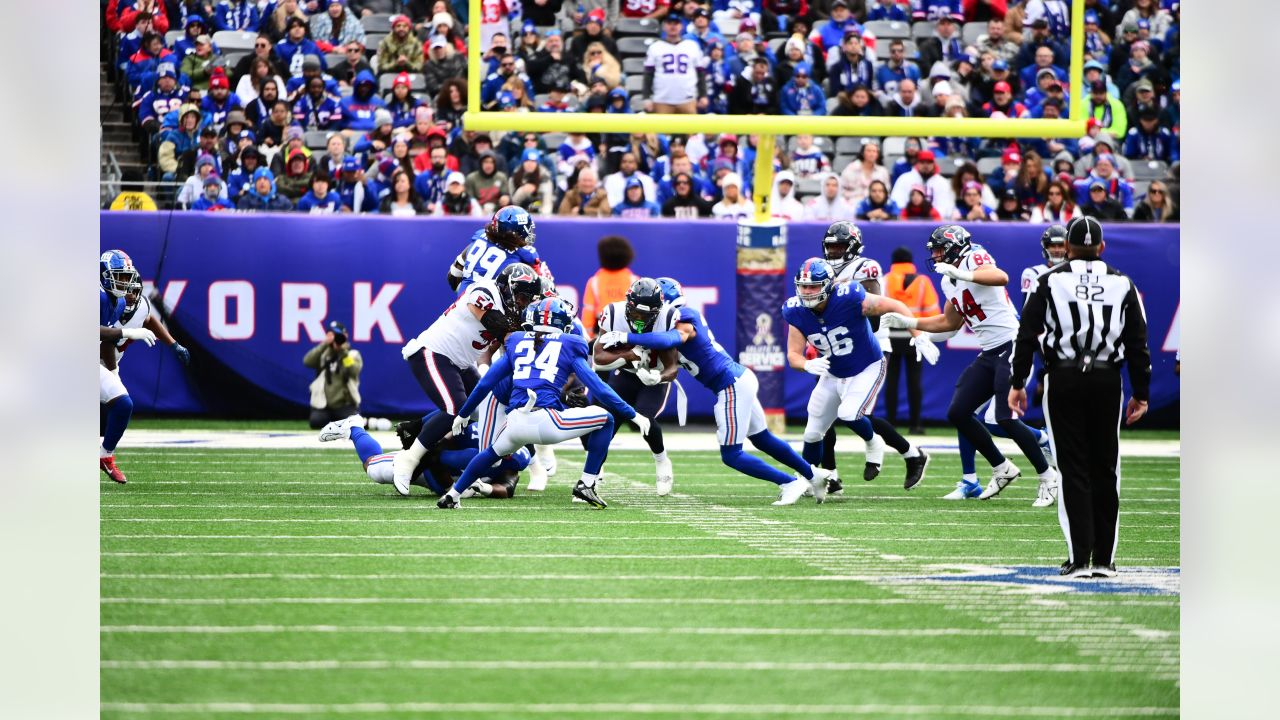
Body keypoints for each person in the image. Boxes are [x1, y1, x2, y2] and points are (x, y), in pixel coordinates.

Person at [1010, 216, 1152, 578]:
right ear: (1102, 247)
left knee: (1072, 467)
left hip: (1065, 377)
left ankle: (1079, 558)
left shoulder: (1050, 280)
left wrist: (1017, 382)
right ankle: (1104, 559)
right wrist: (1142, 393)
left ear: (1067, 248)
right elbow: (1138, 344)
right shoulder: (1122, 282)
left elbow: (1026, 334)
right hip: (1107, 379)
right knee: (1106, 468)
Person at [598, 289, 833, 507]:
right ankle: (814, 475)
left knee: (732, 455)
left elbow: (669, 340)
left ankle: (789, 482)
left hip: (729, 385)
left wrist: (627, 337)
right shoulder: (669, 323)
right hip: (737, 380)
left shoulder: (684, 319)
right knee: (762, 438)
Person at [881, 225, 1060, 502]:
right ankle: (1002, 468)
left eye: (940, 250)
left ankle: (1048, 477)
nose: (936, 256)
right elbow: (949, 324)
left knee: (1003, 417)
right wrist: (912, 326)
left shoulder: (973, 257)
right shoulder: (947, 279)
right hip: (989, 351)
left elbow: (1000, 277)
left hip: (1011, 344)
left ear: (955, 246)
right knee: (959, 411)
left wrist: (960, 273)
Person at [436, 298, 648, 509]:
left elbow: (485, 384)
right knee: (606, 419)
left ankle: (453, 495)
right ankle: (587, 483)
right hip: (546, 422)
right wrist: (633, 414)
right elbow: (599, 388)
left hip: (515, 421)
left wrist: (463, 414)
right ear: (563, 324)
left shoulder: (516, 340)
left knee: (491, 453)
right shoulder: (571, 343)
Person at [393, 262, 545, 496]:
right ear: (509, 288)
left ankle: (418, 427)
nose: (524, 304)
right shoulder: (485, 289)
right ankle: (409, 460)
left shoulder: (510, 309)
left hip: (460, 364)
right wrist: (519, 332)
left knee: (489, 402)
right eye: (523, 298)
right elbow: (491, 320)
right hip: (433, 352)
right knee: (457, 409)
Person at [785, 255, 932, 494]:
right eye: (804, 286)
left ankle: (874, 443)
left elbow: (896, 305)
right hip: (833, 372)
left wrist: (918, 334)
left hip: (867, 365)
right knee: (813, 433)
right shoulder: (795, 310)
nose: (808, 292)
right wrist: (806, 365)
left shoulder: (850, 295)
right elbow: (793, 354)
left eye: (813, 286)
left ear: (828, 285)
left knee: (850, 413)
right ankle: (810, 479)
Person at [591, 279, 681, 495]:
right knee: (607, 422)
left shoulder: (666, 318)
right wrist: (628, 356)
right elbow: (598, 356)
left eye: (646, 314)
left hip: (653, 376)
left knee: (644, 419)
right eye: (636, 312)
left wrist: (658, 378)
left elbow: (672, 367)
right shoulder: (613, 313)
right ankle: (590, 477)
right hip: (627, 373)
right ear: (627, 303)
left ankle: (661, 460)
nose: (640, 318)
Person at [321, 410, 531, 499]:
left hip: (451, 474)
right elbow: (433, 453)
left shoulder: (519, 454)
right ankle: (354, 427)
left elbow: (508, 486)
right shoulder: (471, 437)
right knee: (373, 468)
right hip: (430, 466)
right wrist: (451, 488)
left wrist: (487, 489)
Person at [98, 250, 155, 484]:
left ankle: (104, 456)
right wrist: (128, 331)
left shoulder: (119, 301)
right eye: (119, 276)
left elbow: (106, 340)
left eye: (126, 276)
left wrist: (113, 372)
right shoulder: (97, 296)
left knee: (123, 404)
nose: (124, 282)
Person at [882, 246, 940, 434]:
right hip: (916, 336)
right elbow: (933, 313)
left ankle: (890, 423)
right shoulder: (922, 282)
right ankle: (916, 424)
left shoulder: (885, 281)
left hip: (890, 337)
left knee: (891, 380)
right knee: (915, 381)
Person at [447, 206, 545, 295]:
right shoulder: (523, 257)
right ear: (516, 232)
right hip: (490, 311)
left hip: (461, 306)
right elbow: (533, 296)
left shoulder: (479, 238)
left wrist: (465, 297)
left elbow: (453, 275)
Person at [303, 320, 364, 429]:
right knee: (316, 422)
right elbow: (307, 361)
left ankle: (362, 422)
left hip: (344, 405)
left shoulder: (352, 354)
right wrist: (325, 344)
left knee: (353, 425)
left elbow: (353, 371)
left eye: (339, 335)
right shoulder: (324, 354)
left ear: (345, 336)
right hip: (324, 405)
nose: (336, 339)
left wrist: (343, 352)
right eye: (333, 335)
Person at [644, 14, 707, 114]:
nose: (673, 27)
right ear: (664, 26)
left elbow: (700, 72)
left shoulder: (692, 46)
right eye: (669, 23)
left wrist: (703, 95)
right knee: (659, 129)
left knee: (692, 129)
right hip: (662, 99)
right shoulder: (655, 47)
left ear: (681, 26)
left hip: (687, 99)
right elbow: (648, 74)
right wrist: (646, 97)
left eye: (676, 24)